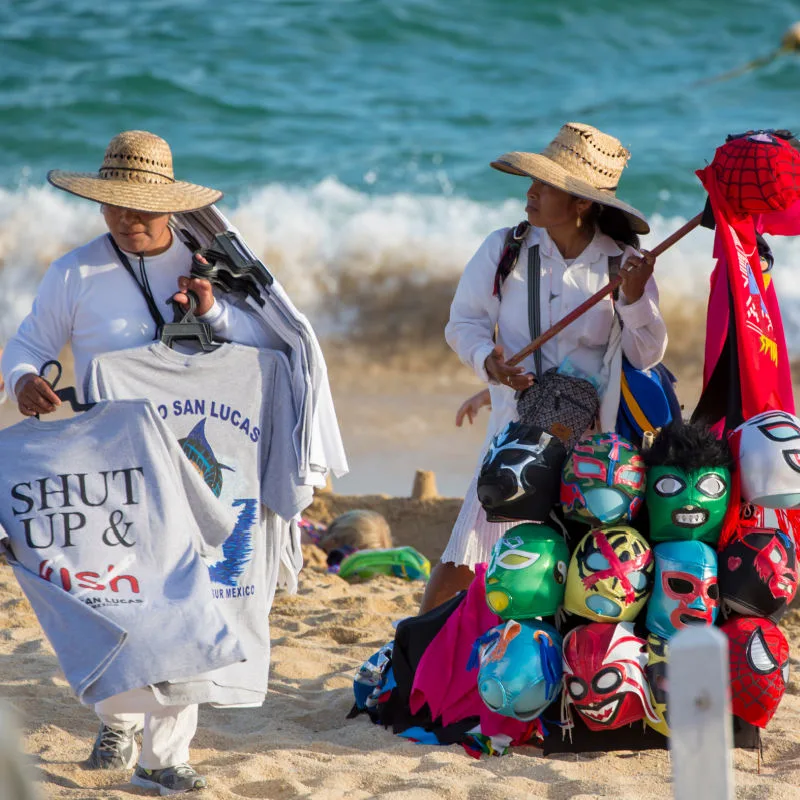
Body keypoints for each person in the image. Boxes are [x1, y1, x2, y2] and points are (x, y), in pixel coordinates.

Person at [2, 130, 266, 794]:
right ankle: (119, 718)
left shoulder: (207, 266)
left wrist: (214, 312)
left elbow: (259, 350)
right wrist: (23, 380)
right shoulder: (77, 271)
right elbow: (28, 342)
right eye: (114, 204)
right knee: (111, 594)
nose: (128, 218)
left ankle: (164, 756)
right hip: (105, 467)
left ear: (170, 204)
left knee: (183, 599)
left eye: (143, 205)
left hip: (190, 462)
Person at [419, 122, 668, 614]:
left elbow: (647, 355)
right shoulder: (503, 249)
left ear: (581, 203)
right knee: (469, 555)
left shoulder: (624, 264)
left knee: (572, 561)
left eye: (546, 185)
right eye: (533, 181)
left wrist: (635, 299)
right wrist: (488, 363)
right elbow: (463, 323)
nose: (530, 193)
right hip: (514, 431)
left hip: (593, 441)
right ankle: (414, 659)